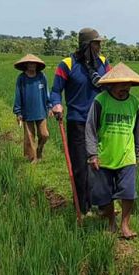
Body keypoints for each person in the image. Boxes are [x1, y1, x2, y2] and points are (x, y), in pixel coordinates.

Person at [50, 28, 111, 214]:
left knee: (102, 164)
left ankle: (102, 204)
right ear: (86, 45)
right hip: (77, 121)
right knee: (80, 166)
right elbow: (55, 91)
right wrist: (56, 104)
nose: (99, 47)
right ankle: (83, 207)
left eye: (100, 43)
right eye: (96, 43)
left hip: (100, 121)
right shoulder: (67, 64)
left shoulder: (103, 63)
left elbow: (112, 86)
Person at [86, 63, 139, 239]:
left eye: (128, 85)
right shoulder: (101, 101)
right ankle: (111, 222)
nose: (125, 88)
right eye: (121, 84)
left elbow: (138, 130)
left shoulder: (135, 103)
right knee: (105, 194)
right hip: (105, 155)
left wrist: (138, 152)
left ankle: (125, 225)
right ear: (112, 84)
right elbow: (90, 128)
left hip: (127, 156)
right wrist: (92, 154)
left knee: (128, 192)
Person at [13, 53, 52, 163]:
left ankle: (39, 149)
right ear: (26, 65)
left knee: (44, 135)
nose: (32, 65)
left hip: (41, 111)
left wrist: (49, 106)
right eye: (29, 63)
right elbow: (18, 94)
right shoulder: (21, 78)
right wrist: (18, 112)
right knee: (29, 137)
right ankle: (33, 158)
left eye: (33, 63)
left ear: (36, 65)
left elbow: (46, 92)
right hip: (27, 112)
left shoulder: (41, 76)